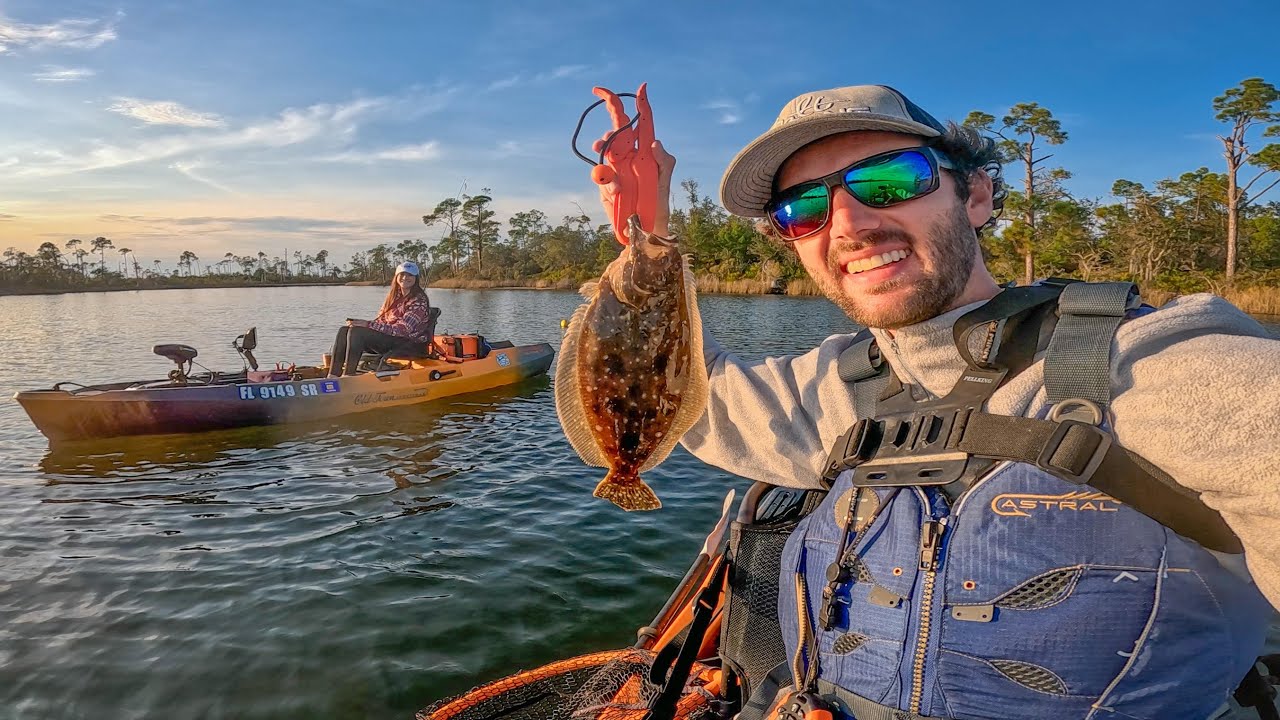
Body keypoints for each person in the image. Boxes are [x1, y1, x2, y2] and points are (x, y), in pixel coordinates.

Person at [593, 85, 1280, 719]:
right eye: (801, 208)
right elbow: (659, 391)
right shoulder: (830, 394)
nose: (848, 224)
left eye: (889, 181)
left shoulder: (1155, 367)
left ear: (976, 196)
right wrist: (642, 240)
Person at [327, 261, 436, 377]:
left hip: (407, 343)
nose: (405, 278)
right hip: (391, 339)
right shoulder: (394, 297)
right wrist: (360, 323)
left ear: (416, 278)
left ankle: (348, 376)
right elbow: (381, 321)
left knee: (357, 333)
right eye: (402, 274)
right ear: (397, 277)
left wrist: (367, 325)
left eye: (410, 275)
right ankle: (333, 375)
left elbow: (402, 330)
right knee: (345, 330)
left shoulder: (418, 301)